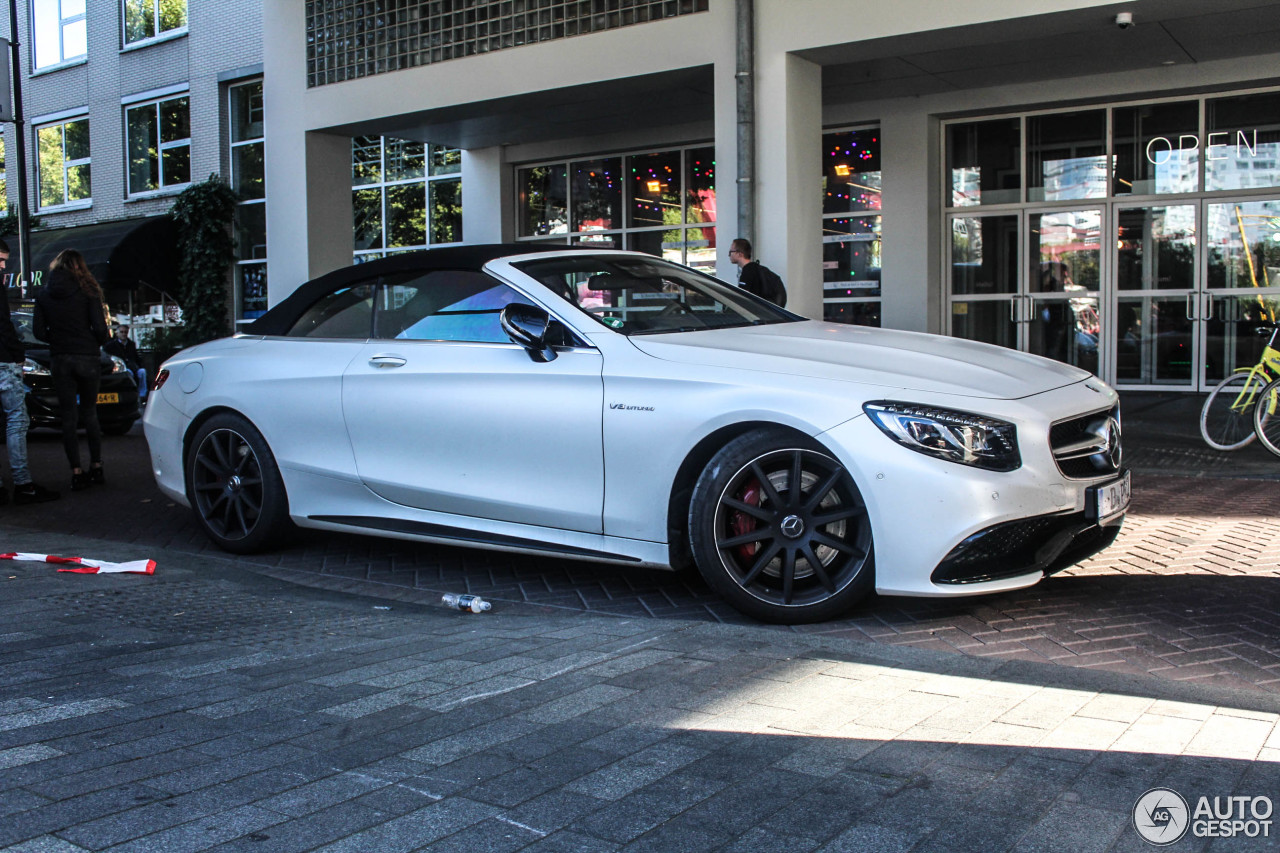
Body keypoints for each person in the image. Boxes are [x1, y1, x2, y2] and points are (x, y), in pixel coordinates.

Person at [33, 249, 109, 491]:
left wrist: (57, 339)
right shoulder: (88, 291)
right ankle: (96, 467)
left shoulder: (44, 295)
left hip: (61, 358)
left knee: (68, 417)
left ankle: (76, 472)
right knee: (90, 414)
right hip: (87, 357)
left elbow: (38, 332)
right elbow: (100, 328)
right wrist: (94, 341)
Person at [0, 240, 60, 504]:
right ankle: (23, 484)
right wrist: (17, 357)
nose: (3, 266)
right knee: (17, 420)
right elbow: (4, 325)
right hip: (3, 361)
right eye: (0, 260)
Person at [728, 238, 787, 307]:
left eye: (731, 252)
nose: (729, 255)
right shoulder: (758, 269)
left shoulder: (747, 272)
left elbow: (742, 299)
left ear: (740, 254)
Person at [104, 325, 147, 404]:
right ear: (117, 333)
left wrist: (138, 365)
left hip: (132, 366)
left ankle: (142, 394)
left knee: (142, 372)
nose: (124, 334)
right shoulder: (111, 345)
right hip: (121, 368)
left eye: (125, 332)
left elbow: (136, 357)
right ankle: (130, 394)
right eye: (122, 332)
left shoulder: (131, 344)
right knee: (128, 372)